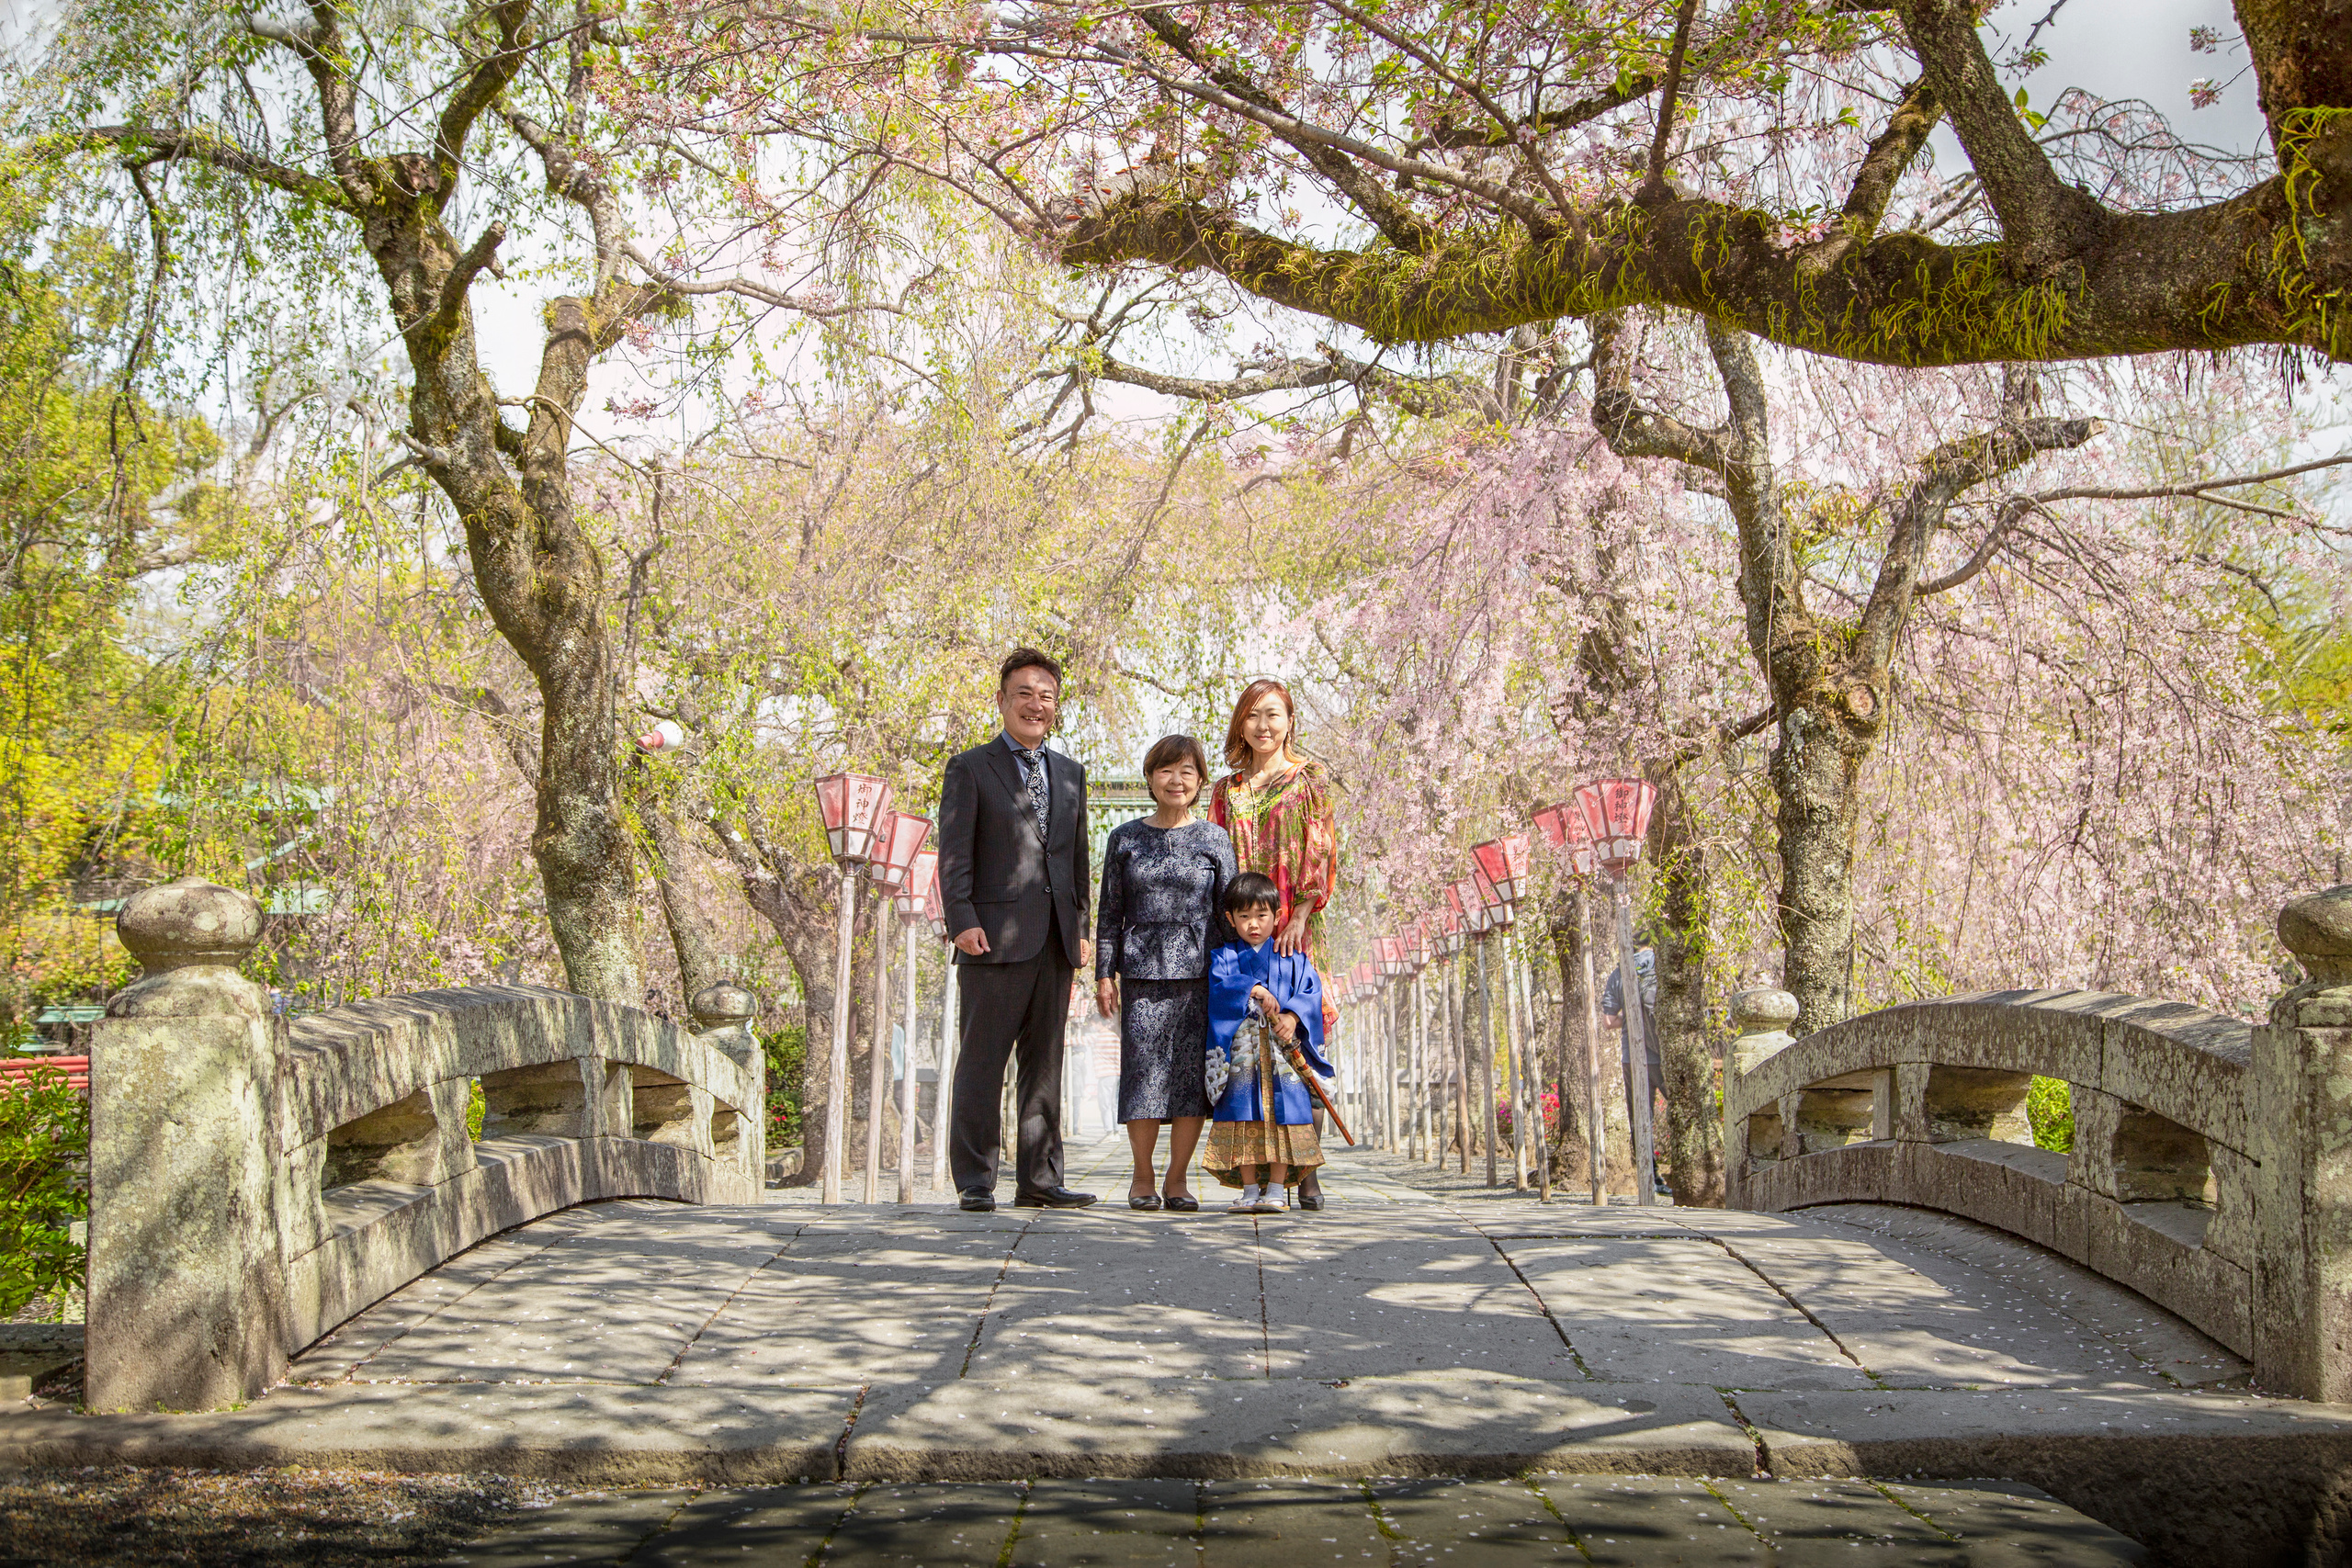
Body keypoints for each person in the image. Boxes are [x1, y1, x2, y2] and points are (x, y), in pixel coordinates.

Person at [935, 648, 1097, 1213]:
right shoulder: (971, 767)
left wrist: (1080, 927)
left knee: (1045, 1062)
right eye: (1024, 693)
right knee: (982, 1060)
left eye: (1047, 695)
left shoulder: (1071, 774)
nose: (1036, 704)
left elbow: (1076, 862)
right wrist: (961, 920)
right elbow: (953, 854)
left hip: (1054, 939)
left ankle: (1040, 1179)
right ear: (1002, 700)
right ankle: (976, 1180)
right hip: (992, 937)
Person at [1209, 678, 1340, 1206]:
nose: (1264, 726)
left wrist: (1300, 914)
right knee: (1246, 1051)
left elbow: (1324, 847)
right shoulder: (1226, 789)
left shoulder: (1311, 779)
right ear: (1241, 723)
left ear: (1289, 720)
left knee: (1299, 1042)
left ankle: (1305, 1173)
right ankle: (1254, 1176)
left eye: (1274, 715)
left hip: (1295, 931)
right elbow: (1217, 861)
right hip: (1240, 934)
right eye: (1253, 716)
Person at [1095, 734, 1236, 1213]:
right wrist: (1103, 974)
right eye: (1166, 771)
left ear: (1200, 781)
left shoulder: (1216, 839)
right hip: (1141, 970)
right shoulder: (1125, 837)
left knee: (1190, 1079)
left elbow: (1230, 914)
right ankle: (1141, 1174)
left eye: (1187, 772)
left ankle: (1178, 1178)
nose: (1176, 781)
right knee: (1142, 1077)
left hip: (1201, 973)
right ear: (1151, 777)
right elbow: (1109, 912)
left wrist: (1235, 979)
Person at [1204, 872, 1332, 1213]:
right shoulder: (1224, 957)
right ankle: (1249, 1189)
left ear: (1278, 917)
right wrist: (1254, 988)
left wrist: (1292, 1016)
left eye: (1262, 915)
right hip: (1242, 1058)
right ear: (1230, 919)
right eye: (1243, 916)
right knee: (1242, 1114)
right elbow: (1218, 988)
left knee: (1284, 1115)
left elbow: (1310, 991)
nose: (1253, 925)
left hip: (1282, 1056)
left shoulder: (1293, 958)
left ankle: (1276, 1188)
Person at [1600, 945, 1668, 1198]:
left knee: (1641, 1118)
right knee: (1682, 1106)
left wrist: (1629, 1020)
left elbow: (1608, 1022)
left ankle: (1651, 1176)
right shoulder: (1660, 965)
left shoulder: (1620, 972)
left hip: (1633, 1056)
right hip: (1662, 1054)